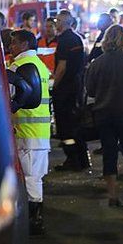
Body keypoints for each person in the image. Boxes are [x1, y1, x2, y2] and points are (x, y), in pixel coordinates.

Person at [86, 25, 123, 208]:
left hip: (103, 113)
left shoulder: (97, 63)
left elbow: (90, 90)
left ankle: (112, 195)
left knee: (109, 153)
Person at [8, 30, 49, 235]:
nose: (11, 47)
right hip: (40, 131)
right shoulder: (40, 65)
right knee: (35, 176)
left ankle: (35, 219)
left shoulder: (19, 66)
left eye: (14, 43)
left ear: (24, 44)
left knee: (31, 178)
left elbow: (11, 94)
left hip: (26, 130)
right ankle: (35, 217)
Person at [53, 9, 89, 170]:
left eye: (58, 21)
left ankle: (72, 159)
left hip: (65, 89)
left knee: (65, 126)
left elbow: (62, 66)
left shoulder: (64, 40)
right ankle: (82, 158)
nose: (56, 24)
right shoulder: (77, 39)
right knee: (75, 124)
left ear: (66, 23)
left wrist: (54, 85)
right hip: (76, 87)